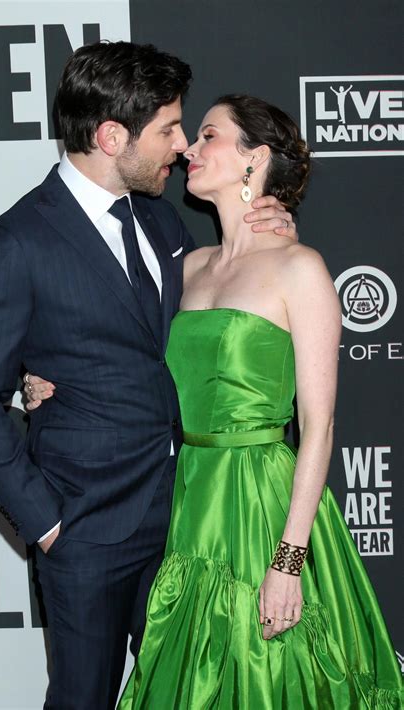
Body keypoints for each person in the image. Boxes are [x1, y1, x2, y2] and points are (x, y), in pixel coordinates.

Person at [0, 42, 296, 710]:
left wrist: (269, 225)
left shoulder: (164, 220)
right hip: (85, 531)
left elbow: (211, 326)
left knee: (192, 696)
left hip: (186, 522)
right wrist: (47, 524)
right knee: (84, 699)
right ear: (112, 136)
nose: (182, 147)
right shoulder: (17, 242)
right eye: (168, 129)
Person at [30, 95, 403, 708]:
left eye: (207, 136)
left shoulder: (300, 268)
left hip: (262, 503)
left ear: (254, 159)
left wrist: (288, 559)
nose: (188, 151)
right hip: (185, 498)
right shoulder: (186, 264)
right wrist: (48, 380)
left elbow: (319, 426)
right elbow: (120, 351)